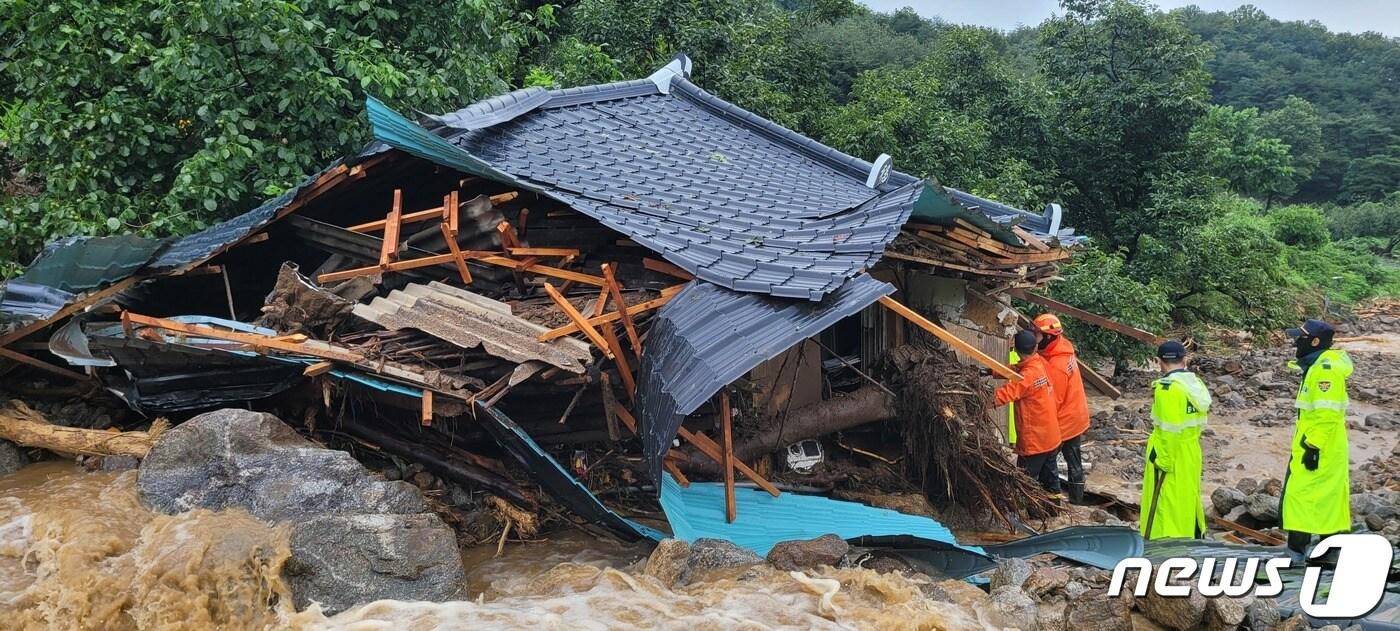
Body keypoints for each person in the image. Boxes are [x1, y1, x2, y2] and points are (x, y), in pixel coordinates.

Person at [1280, 319, 1353, 560]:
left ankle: (1305, 553)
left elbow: (1327, 414)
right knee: (1317, 496)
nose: (1295, 343)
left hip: (1320, 446)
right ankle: (1317, 551)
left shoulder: (1325, 371)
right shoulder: (1317, 366)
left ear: (1314, 341)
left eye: (1299, 338)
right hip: (1317, 444)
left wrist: (1313, 446)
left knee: (1303, 495)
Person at [1141, 340, 1210, 540]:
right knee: (1187, 497)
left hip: (1170, 454)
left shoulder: (1168, 389)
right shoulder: (1195, 385)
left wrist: (1161, 461)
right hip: (1191, 451)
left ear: (1158, 361)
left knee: (1165, 500)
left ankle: (1164, 542)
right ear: (1184, 360)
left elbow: (1168, 431)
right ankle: (1192, 535)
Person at [993, 330, 1063, 493]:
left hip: (1035, 441)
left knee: (1023, 483)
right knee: (1050, 479)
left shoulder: (1027, 377)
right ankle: (1053, 513)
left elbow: (1004, 395)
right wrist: (991, 371)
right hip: (1051, 436)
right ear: (1035, 347)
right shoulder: (1040, 364)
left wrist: (978, 399)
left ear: (1016, 351)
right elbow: (1017, 370)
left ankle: (1021, 514)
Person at [1033, 314, 1091, 504]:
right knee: (1074, 461)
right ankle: (1077, 502)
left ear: (1049, 337)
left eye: (1037, 334)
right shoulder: (1061, 348)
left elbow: (1052, 400)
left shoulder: (1057, 365)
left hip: (1065, 419)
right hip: (1076, 414)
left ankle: (1052, 502)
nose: (1034, 337)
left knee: (1046, 462)